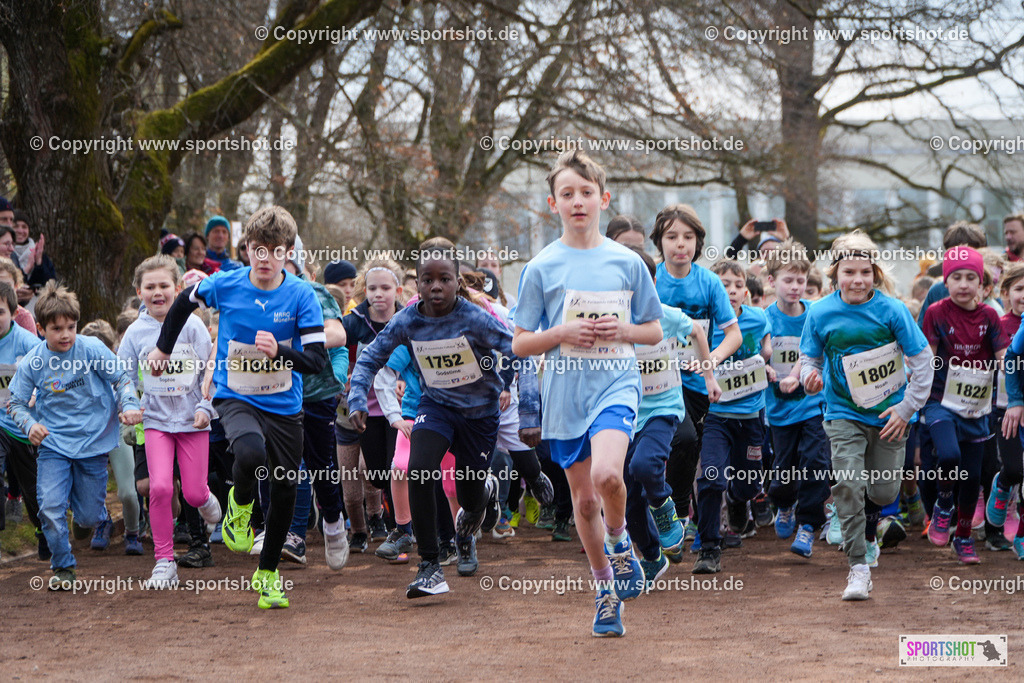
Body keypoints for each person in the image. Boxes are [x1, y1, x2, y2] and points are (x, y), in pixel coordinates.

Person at [149, 206, 331, 609]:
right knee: (249, 452)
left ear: (288, 253)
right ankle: (241, 504)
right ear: (246, 248)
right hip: (237, 395)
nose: (266, 259)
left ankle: (267, 575)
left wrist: (280, 351)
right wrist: (163, 348)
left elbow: (316, 360)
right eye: (259, 249)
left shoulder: (301, 295)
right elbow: (183, 303)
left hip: (285, 404)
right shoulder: (226, 284)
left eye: (277, 251)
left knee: (285, 488)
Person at [513, 150, 663, 637]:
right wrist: (561, 334)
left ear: (604, 197)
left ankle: (621, 543)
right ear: (553, 203)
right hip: (564, 396)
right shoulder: (540, 267)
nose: (578, 201)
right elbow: (520, 342)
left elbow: (654, 331)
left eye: (586, 192)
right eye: (568, 194)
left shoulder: (627, 262)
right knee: (581, 504)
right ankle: (605, 592)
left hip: (615, 384)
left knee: (609, 477)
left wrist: (622, 329)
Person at [349, 237, 527, 599]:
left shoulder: (474, 317)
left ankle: (483, 497)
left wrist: (507, 384)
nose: (435, 287)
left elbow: (517, 350)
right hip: (437, 407)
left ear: (456, 280)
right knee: (419, 468)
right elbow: (370, 358)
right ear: (417, 283)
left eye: (443, 279)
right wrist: (356, 398)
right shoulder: (408, 319)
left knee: (469, 496)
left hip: (479, 416)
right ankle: (429, 565)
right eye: (427, 280)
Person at [800, 230, 933, 601]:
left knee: (883, 489)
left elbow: (923, 362)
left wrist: (907, 408)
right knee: (848, 482)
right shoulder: (821, 312)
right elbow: (808, 358)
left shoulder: (891, 311)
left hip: (890, 415)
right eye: (849, 272)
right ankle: (858, 568)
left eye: (864, 272)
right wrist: (808, 377)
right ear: (835, 274)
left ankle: (862, 520)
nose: (857, 280)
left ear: (875, 273)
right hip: (842, 412)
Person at [8, 283, 143, 589]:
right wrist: (30, 426)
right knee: (50, 508)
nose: (65, 334)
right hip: (54, 446)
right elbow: (15, 402)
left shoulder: (92, 349)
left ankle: (84, 522)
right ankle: (64, 567)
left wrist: (131, 404)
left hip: (93, 444)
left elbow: (121, 377)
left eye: (71, 327)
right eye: (57, 329)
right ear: (41, 329)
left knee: (87, 517)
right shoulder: (33, 361)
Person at [119, 255, 221, 587]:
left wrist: (206, 406)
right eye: (150, 287)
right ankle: (164, 562)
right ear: (139, 291)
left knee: (191, 493)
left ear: (178, 289)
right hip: (156, 422)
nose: (158, 292)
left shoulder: (192, 326)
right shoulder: (134, 334)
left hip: (193, 421)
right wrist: (130, 404)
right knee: (160, 488)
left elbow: (211, 368)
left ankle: (206, 499)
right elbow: (123, 378)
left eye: (165, 286)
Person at [651, 204, 742, 551]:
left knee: (694, 451)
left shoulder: (708, 282)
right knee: (681, 440)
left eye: (688, 237)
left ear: (698, 242)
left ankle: (683, 517)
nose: (680, 244)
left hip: (700, 383)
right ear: (660, 241)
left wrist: (711, 362)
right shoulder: (651, 280)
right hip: (658, 380)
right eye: (671, 236)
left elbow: (732, 333)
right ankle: (672, 510)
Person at [625, 246, 718, 584]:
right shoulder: (608, 323)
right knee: (626, 500)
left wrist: (708, 375)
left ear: (652, 283)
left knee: (644, 466)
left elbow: (696, 331)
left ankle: (665, 508)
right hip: (623, 416)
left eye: (639, 283)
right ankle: (651, 555)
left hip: (662, 408)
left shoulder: (666, 314)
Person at [921, 246, 1007, 564]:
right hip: (940, 401)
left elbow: (1002, 357)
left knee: (971, 479)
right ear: (946, 281)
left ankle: (964, 536)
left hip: (977, 407)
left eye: (971, 277)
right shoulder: (936, 312)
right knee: (948, 454)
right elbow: (926, 356)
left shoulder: (989, 316)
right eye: (956, 277)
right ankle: (944, 502)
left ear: (982, 283)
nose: (963, 284)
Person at [692, 259, 773, 574]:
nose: (733, 291)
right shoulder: (703, 325)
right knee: (711, 477)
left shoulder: (757, 317)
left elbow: (767, 343)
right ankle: (710, 548)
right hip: (715, 416)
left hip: (751, 415)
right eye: (724, 285)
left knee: (751, 482)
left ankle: (740, 501)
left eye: (738, 285)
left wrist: (765, 357)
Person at [762, 241, 831, 558]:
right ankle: (784, 503)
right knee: (783, 474)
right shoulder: (765, 319)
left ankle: (807, 526)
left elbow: (814, 351)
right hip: (778, 410)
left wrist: (796, 374)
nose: (794, 287)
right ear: (772, 281)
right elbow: (753, 354)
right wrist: (764, 368)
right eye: (787, 280)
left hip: (812, 405)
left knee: (816, 462)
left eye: (800, 280)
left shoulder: (815, 315)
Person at [0, 282, 47, 559]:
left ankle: (44, 531)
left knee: (33, 489)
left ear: (13, 312)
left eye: (0, 312)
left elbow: (47, 381)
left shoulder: (28, 344)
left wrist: (33, 398)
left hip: (24, 425)